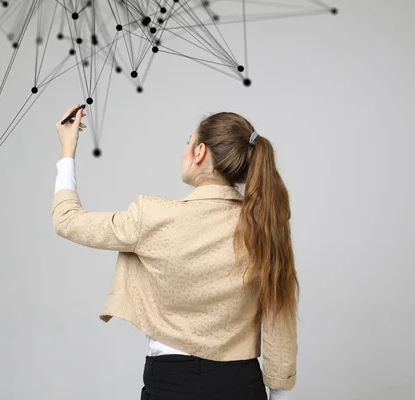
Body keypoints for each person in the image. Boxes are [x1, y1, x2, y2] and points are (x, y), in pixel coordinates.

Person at [52, 105, 299, 400]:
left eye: (189, 141)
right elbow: (279, 315)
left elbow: (66, 220)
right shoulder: (265, 225)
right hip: (241, 382)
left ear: (200, 152)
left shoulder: (152, 216)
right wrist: (279, 392)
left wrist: (68, 150)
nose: (185, 150)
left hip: (170, 383)